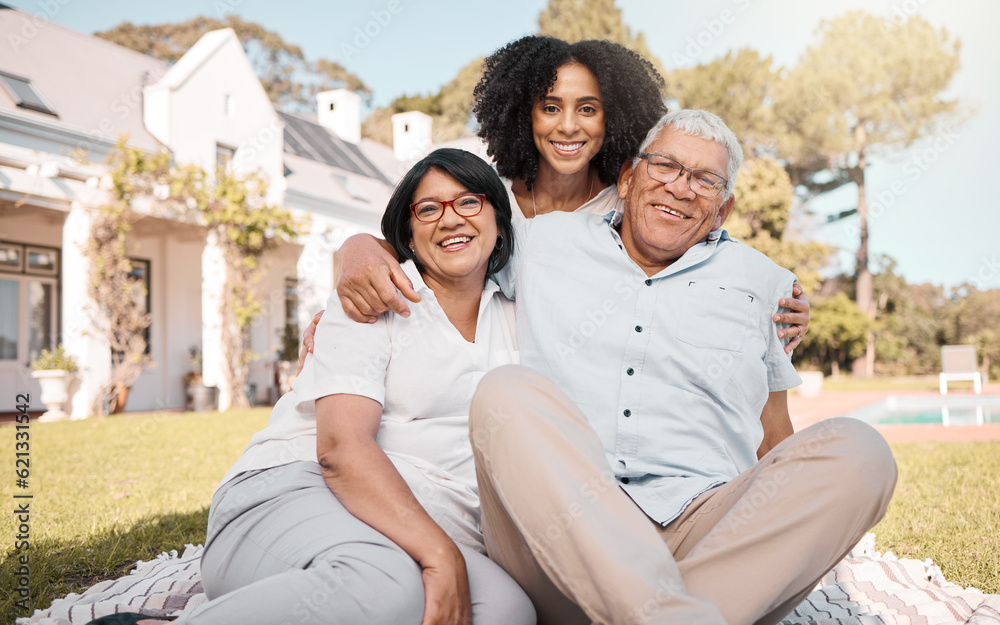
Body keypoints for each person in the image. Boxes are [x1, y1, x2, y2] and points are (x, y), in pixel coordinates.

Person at [330, 111, 898, 625]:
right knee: (508, 393)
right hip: (559, 527)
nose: (681, 187)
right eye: (667, 166)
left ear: (722, 208)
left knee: (861, 451)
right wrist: (357, 252)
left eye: (705, 180)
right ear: (627, 179)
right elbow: (443, 238)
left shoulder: (766, 285)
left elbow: (775, 438)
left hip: (705, 527)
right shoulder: (538, 243)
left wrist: (787, 520)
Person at [92, 149, 536, 625]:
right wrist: (439, 557)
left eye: (469, 202)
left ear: (499, 219)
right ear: (408, 233)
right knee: (383, 587)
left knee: (507, 613)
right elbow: (341, 451)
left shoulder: (520, 317)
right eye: (428, 208)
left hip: (421, 523)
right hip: (298, 485)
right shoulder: (371, 297)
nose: (450, 219)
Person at [315, 35, 809, 367]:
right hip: (479, 362)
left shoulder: (632, 204)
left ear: (613, 118)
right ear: (522, 114)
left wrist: (782, 302)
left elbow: (704, 247)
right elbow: (410, 243)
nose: (568, 126)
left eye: (588, 109)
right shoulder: (489, 194)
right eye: (550, 107)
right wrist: (355, 251)